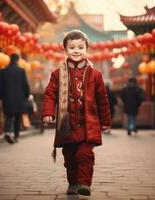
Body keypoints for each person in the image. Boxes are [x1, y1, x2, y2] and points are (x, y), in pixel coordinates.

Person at [42, 30, 111, 196]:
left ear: (87, 49)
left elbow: (102, 100)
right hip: (67, 124)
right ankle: (73, 183)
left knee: (84, 155)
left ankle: (84, 184)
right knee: (70, 157)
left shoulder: (95, 75)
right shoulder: (58, 74)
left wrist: (106, 122)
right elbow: (50, 94)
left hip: (89, 124)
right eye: (72, 47)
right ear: (65, 50)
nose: (76, 50)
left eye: (80, 47)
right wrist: (48, 112)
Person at [0, 53, 30, 144]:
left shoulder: (3, 71)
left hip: (7, 98)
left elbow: (0, 86)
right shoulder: (21, 71)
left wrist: (0, 97)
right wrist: (27, 95)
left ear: (10, 59)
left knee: (9, 116)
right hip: (19, 99)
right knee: (17, 117)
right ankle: (16, 136)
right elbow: (25, 84)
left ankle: (7, 132)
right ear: (18, 60)